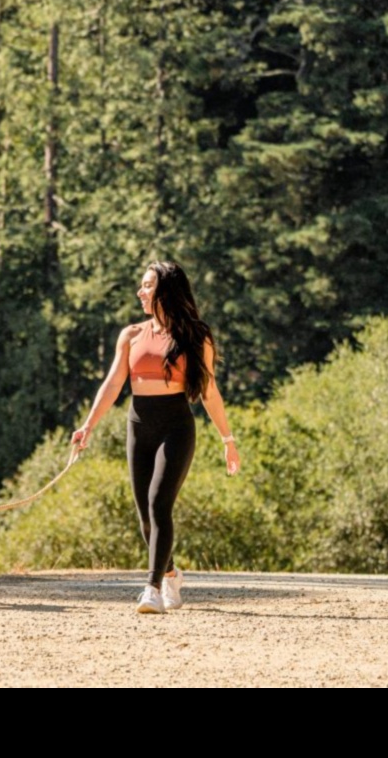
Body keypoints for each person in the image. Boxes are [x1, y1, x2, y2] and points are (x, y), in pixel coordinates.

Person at [71, 261, 241, 614]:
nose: (141, 292)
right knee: (145, 517)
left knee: (159, 503)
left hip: (176, 426)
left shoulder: (196, 336)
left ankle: (151, 588)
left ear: (166, 290)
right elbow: (114, 383)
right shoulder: (131, 335)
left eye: (147, 286)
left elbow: (209, 392)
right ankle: (171, 574)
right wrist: (88, 426)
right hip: (139, 424)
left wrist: (228, 441)